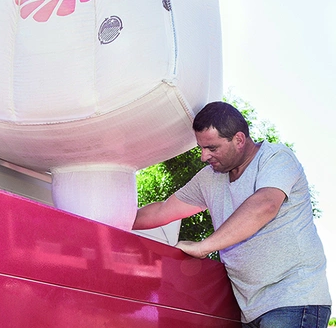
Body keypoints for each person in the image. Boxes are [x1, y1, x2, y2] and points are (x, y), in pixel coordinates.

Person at [132, 101, 331, 327]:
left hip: (295, 298)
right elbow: (162, 210)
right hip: (250, 308)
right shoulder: (209, 178)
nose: (203, 156)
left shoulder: (276, 158)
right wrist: (110, 218)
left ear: (238, 139)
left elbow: (264, 205)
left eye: (212, 148)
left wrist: (203, 246)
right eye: (201, 148)